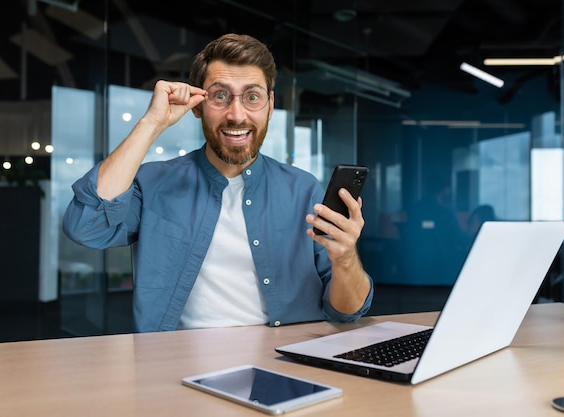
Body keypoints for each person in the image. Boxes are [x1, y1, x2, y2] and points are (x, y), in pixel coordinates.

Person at [62, 33, 373, 333]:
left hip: (283, 362)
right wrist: (151, 124)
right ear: (198, 106)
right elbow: (86, 227)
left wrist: (345, 257)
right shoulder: (154, 183)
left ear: (269, 104)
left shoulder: (303, 190)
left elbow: (347, 313)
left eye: (252, 97)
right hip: (175, 364)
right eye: (220, 96)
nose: (236, 115)